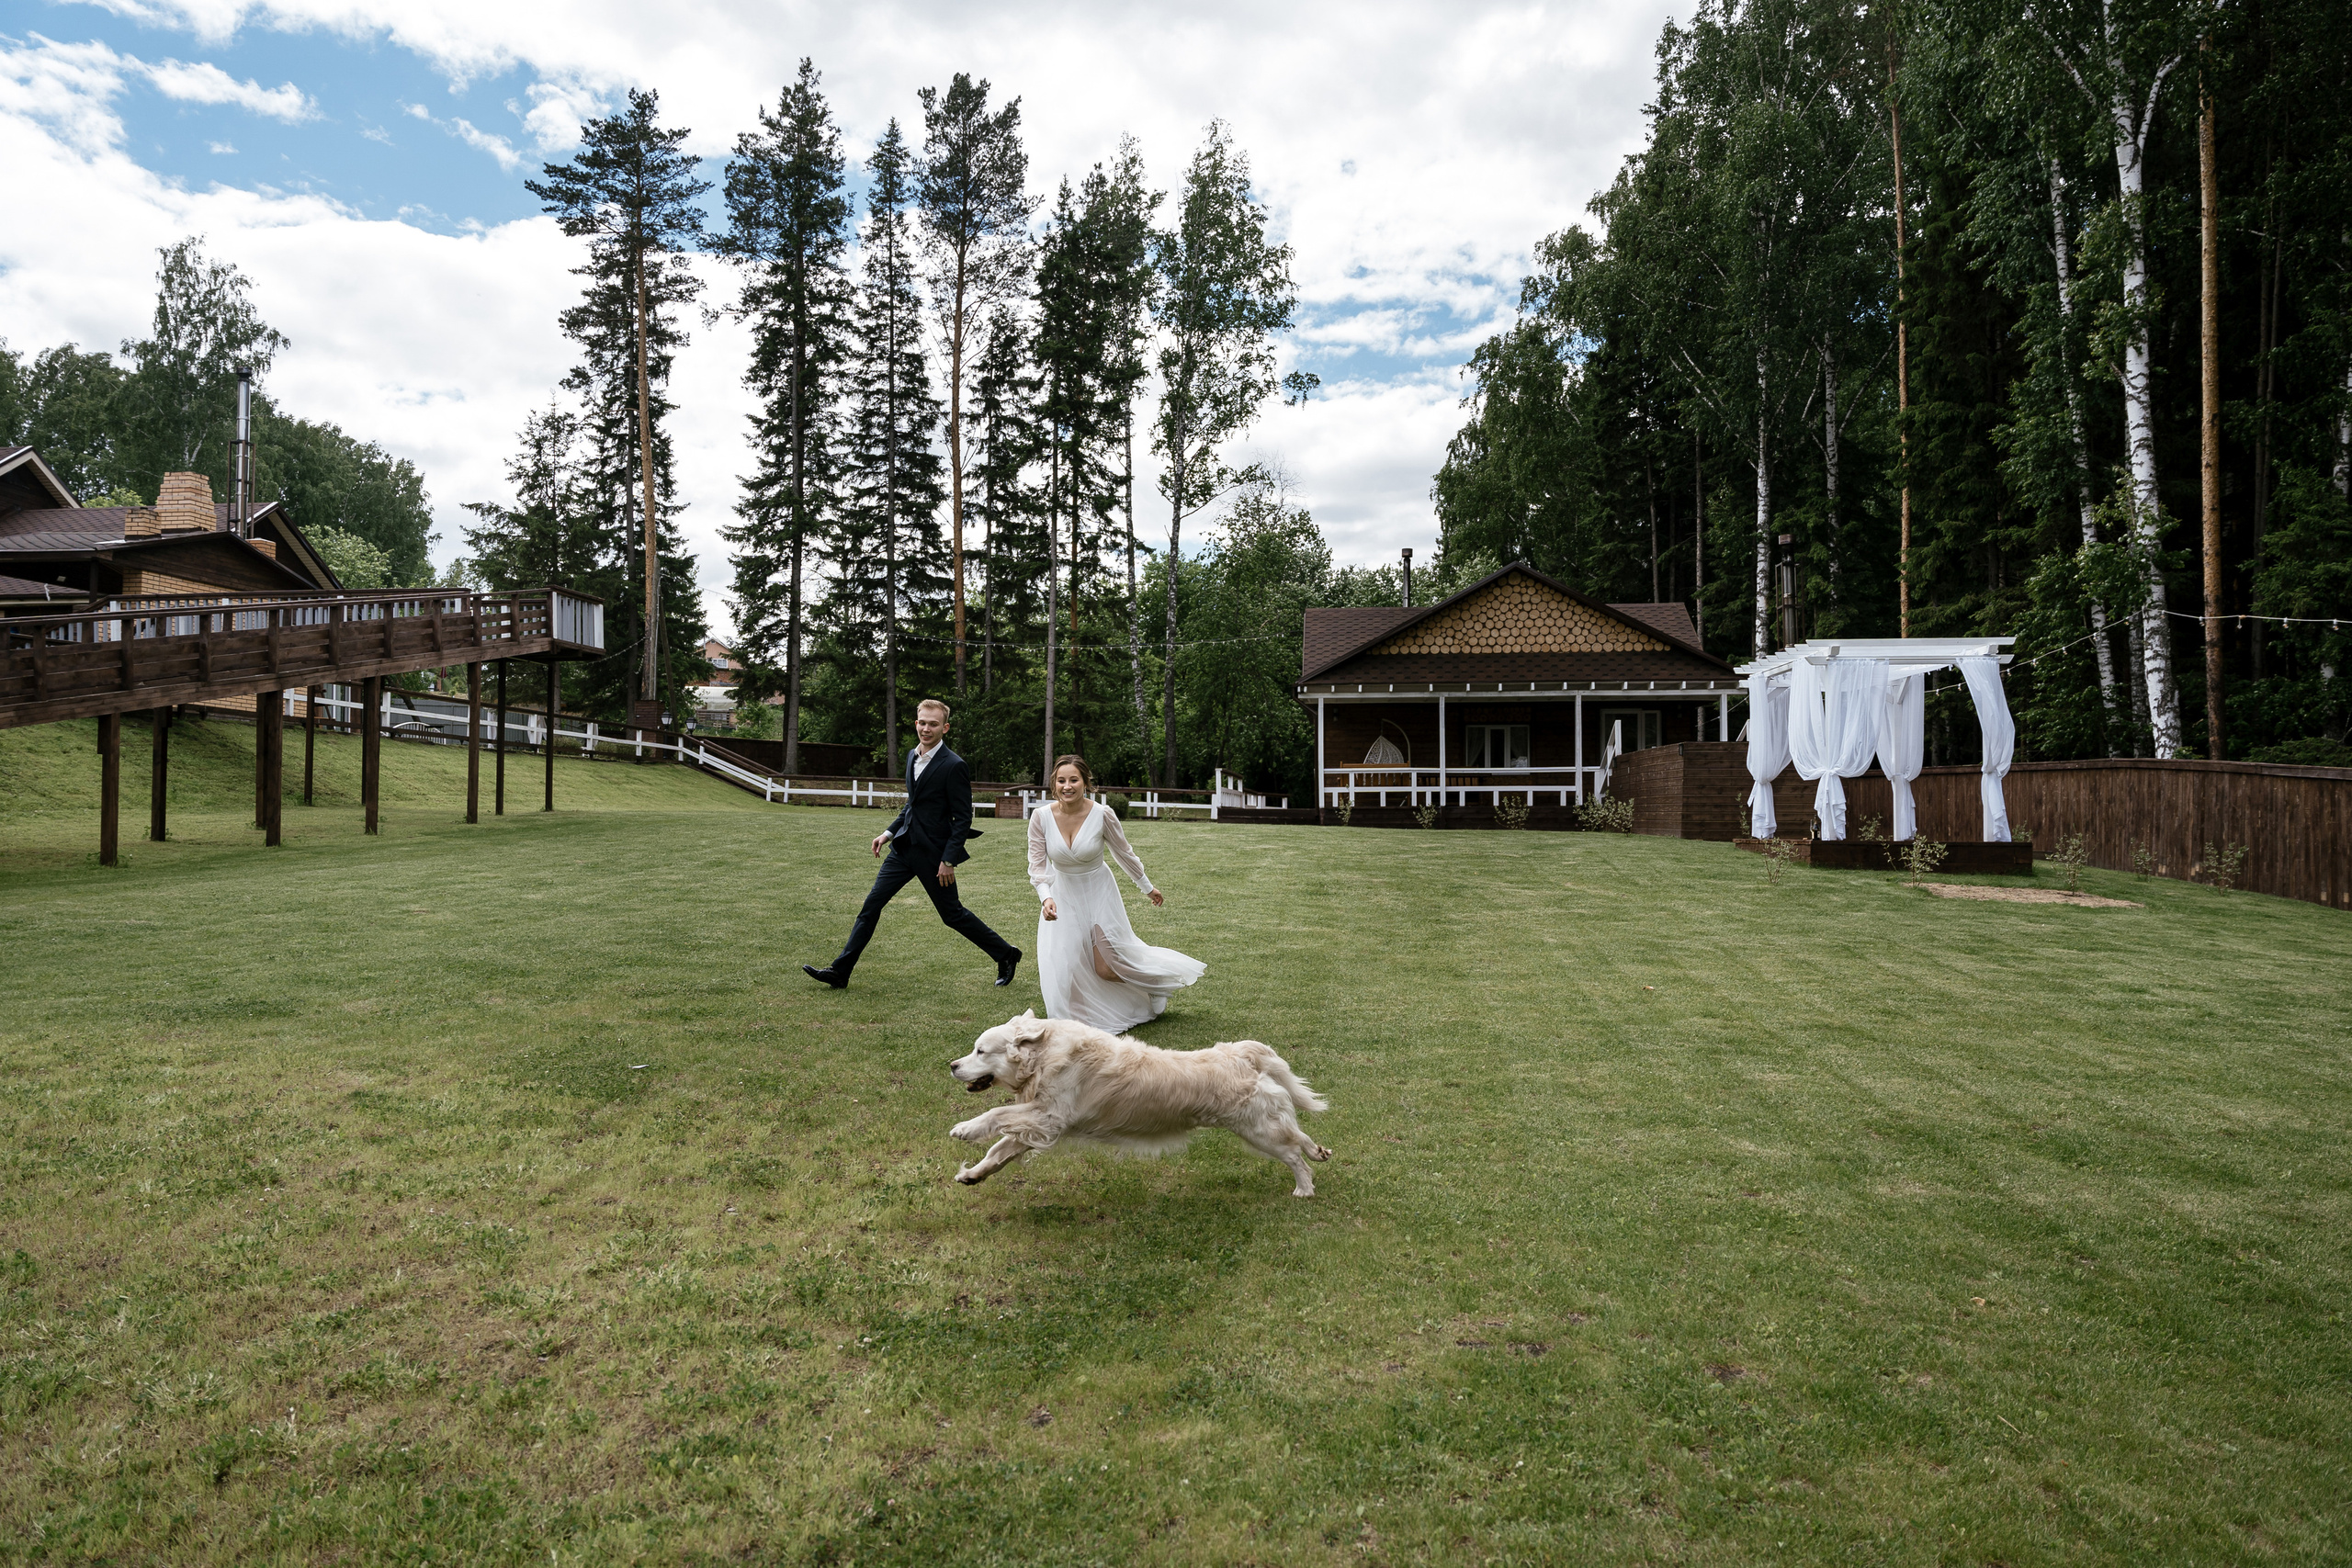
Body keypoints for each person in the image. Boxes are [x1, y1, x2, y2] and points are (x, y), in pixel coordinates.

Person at [804, 699, 1021, 990]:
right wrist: (888, 833)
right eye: (923, 723)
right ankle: (840, 972)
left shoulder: (954, 765)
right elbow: (913, 804)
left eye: (934, 724)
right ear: (916, 723)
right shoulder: (911, 756)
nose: (926, 729)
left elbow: (962, 819)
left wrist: (948, 860)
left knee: (952, 915)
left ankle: (1006, 954)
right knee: (871, 906)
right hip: (903, 850)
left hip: (934, 855)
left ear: (945, 728)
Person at [1028, 753, 1204, 1031]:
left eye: (1074, 780)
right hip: (1063, 896)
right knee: (1066, 966)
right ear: (1054, 784)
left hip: (1099, 892)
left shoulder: (1102, 814)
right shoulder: (1041, 817)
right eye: (1061, 781)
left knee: (1106, 968)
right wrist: (1046, 897)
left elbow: (1124, 854)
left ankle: (1154, 983)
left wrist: (1147, 887)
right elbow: (1037, 865)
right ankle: (1078, 1022)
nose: (1067, 786)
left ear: (1086, 782)